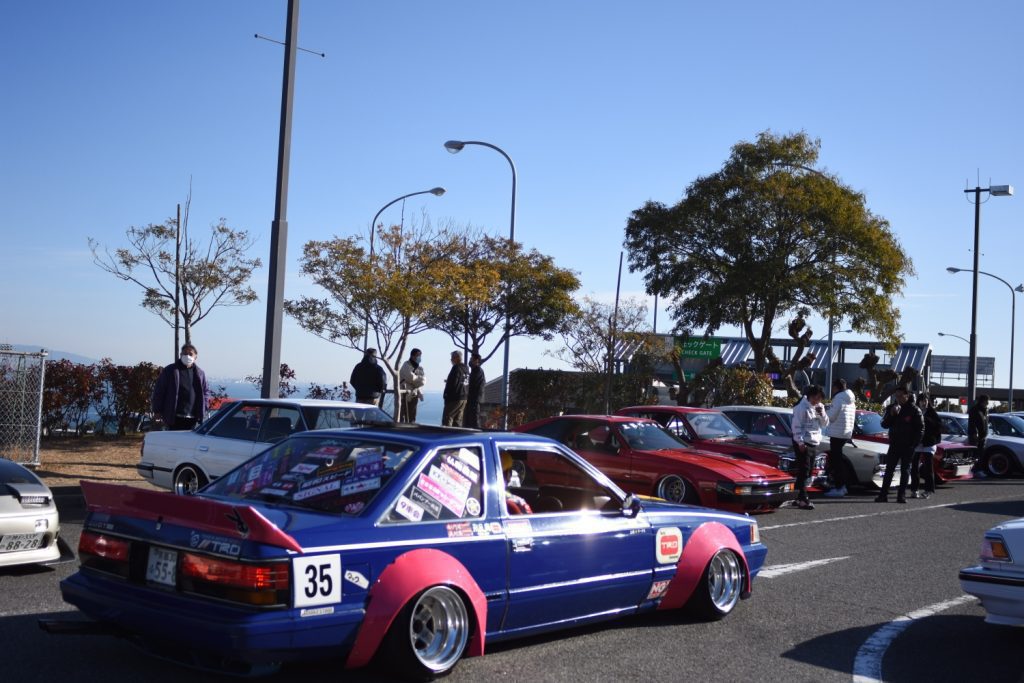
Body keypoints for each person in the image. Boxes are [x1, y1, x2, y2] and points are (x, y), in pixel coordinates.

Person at [876, 387, 924, 503]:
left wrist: (914, 444)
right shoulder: (892, 408)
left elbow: (921, 429)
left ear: (907, 396)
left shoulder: (914, 410)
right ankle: (883, 495)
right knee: (889, 470)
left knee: (905, 470)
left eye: (901, 396)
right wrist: (892, 414)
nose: (898, 398)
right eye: (896, 396)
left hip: (908, 445)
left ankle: (901, 495)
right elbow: (884, 424)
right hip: (894, 444)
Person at [151, 343, 210, 430]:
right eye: (185, 353)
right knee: (172, 441)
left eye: (190, 354)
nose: (187, 356)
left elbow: (205, 392)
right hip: (174, 416)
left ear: (195, 357)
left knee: (189, 442)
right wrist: (157, 410)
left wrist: (203, 407)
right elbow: (159, 390)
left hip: (192, 417)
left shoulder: (200, 373)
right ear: (181, 355)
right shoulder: (170, 370)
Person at [790, 384, 830, 510]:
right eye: (815, 398)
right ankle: (803, 498)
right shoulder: (801, 407)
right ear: (810, 396)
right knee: (804, 470)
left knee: (808, 471)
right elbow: (796, 426)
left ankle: (795, 495)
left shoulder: (819, 407)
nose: (817, 401)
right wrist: (800, 442)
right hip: (803, 442)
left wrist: (822, 414)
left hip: (814, 441)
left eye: (819, 399)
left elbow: (825, 424)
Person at [824, 378, 856, 498]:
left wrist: (822, 412)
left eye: (833, 387)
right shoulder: (850, 399)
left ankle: (839, 487)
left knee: (836, 462)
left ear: (836, 387)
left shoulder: (838, 398)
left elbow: (831, 417)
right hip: (845, 433)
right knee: (839, 461)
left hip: (836, 433)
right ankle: (842, 487)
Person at [910, 393, 940, 499]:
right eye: (922, 400)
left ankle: (928, 490)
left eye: (926, 400)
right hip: (917, 442)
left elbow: (937, 426)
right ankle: (914, 489)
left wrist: (925, 419)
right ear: (918, 401)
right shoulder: (915, 411)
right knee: (914, 467)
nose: (924, 402)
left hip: (929, 443)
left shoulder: (932, 413)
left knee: (928, 467)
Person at [442, 350, 470, 427]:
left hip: (455, 397)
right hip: (464, 396)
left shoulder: (456, 368)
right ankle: (457, 436)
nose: (451, 360)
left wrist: (447, 395)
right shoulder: (466, 368)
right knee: (458, 419)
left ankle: (446, 436)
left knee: (448, 417)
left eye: (452, 358)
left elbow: (454, 383)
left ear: (457, 358)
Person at [398, 348, 425, 423]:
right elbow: (411, 378)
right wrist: (418, 380)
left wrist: (417, 380)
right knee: (402, 416)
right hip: (404, 394)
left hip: (414, 394)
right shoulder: (406, 365)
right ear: (413, 356)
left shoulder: (420, 368)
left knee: (412, 416)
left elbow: (423, 380)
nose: (420, 358)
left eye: (420, 356)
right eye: (418, 356)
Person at [969, 394, 991, 478]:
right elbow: (972, 424)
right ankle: (975, 471)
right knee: (976, 454)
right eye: (986, 401)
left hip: (983, 436)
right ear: (982, 401)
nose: (988, 403)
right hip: (976, 436)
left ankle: (979, 470)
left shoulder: (984, 411)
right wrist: (975, 435)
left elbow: (985, 424)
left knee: (980, 454)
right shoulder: (975, 410)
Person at [463, 353, 486, 429]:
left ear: (476, 360)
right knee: (471, 418)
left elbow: (474, 384)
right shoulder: (475, 370)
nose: (470, 361)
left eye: (471, 359)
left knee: (474, 418)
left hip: (474, 399)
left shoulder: (478, 371)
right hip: (473, 398)